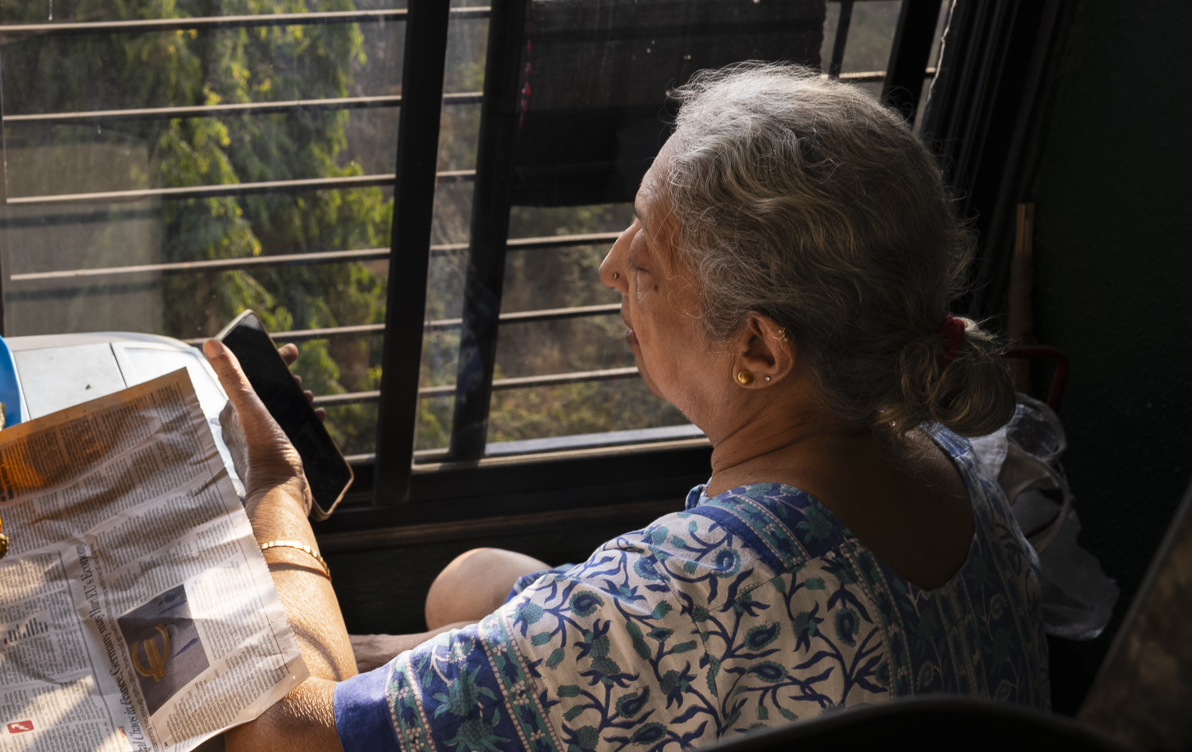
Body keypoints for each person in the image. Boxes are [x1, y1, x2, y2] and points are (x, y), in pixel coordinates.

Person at [203, 63, 1048, 752]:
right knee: (469, 582)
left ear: (759, 350)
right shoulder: (957, 474)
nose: (612, 264)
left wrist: (277, 492)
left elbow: (279, 742)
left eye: (648, 254)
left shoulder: (675, 601)